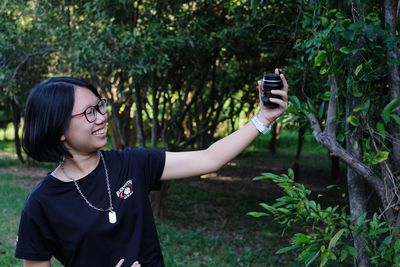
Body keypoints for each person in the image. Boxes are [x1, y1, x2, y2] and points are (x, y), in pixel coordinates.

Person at [15, 69, 288, 267]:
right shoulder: (41, 205)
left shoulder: (134, 163)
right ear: (58, 129)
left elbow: (209, 158)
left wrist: (262, 119)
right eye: (89, 113)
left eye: (100, 106)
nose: (102, 116)